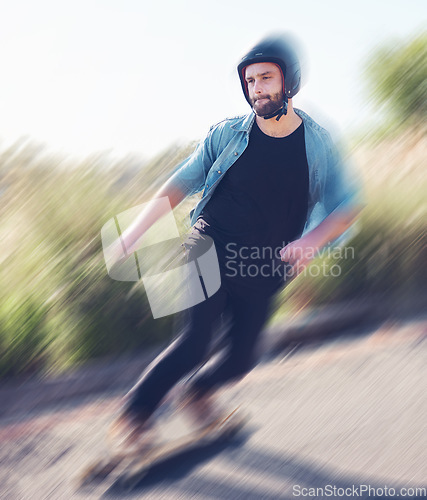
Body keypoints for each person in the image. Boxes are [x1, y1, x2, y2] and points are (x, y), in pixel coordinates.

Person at [107, 33, 363, 449]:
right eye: (249, 82)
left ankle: (198, 396)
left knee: (242, 358)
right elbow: (181, 182)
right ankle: (133, 419)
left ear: (289, 82)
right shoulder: (227, 135)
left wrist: (312, 241)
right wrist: (135, 230)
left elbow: (347, 203)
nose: (257, 89)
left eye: (265, 78)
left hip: (265, 264)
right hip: (208, 244)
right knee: (194, 343)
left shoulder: (317, 144)